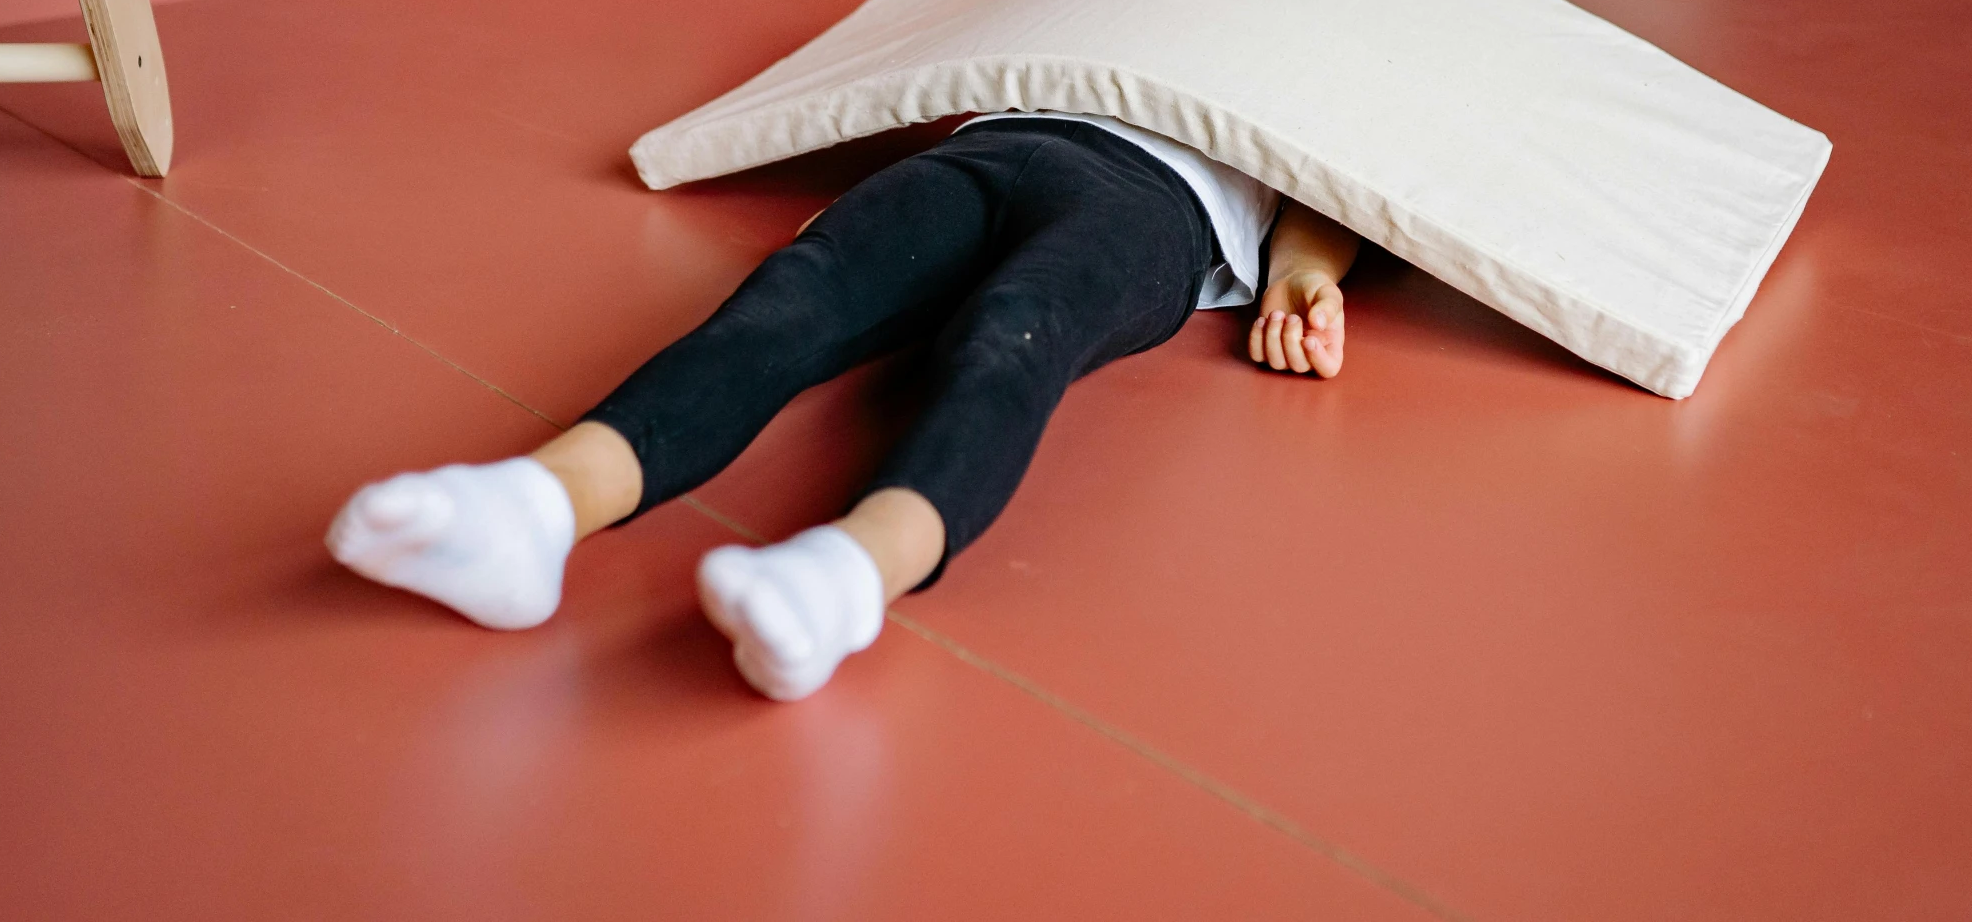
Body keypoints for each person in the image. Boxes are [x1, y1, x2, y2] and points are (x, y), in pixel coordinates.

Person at [327, 113, 1361, 700]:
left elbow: (1333, 194)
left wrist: (1300, 278)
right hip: (991, 142)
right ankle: (534, 507)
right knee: (799, 292)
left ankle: (850, 572)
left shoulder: (1311, 78)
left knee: (1018, 329)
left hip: (1159, 207)